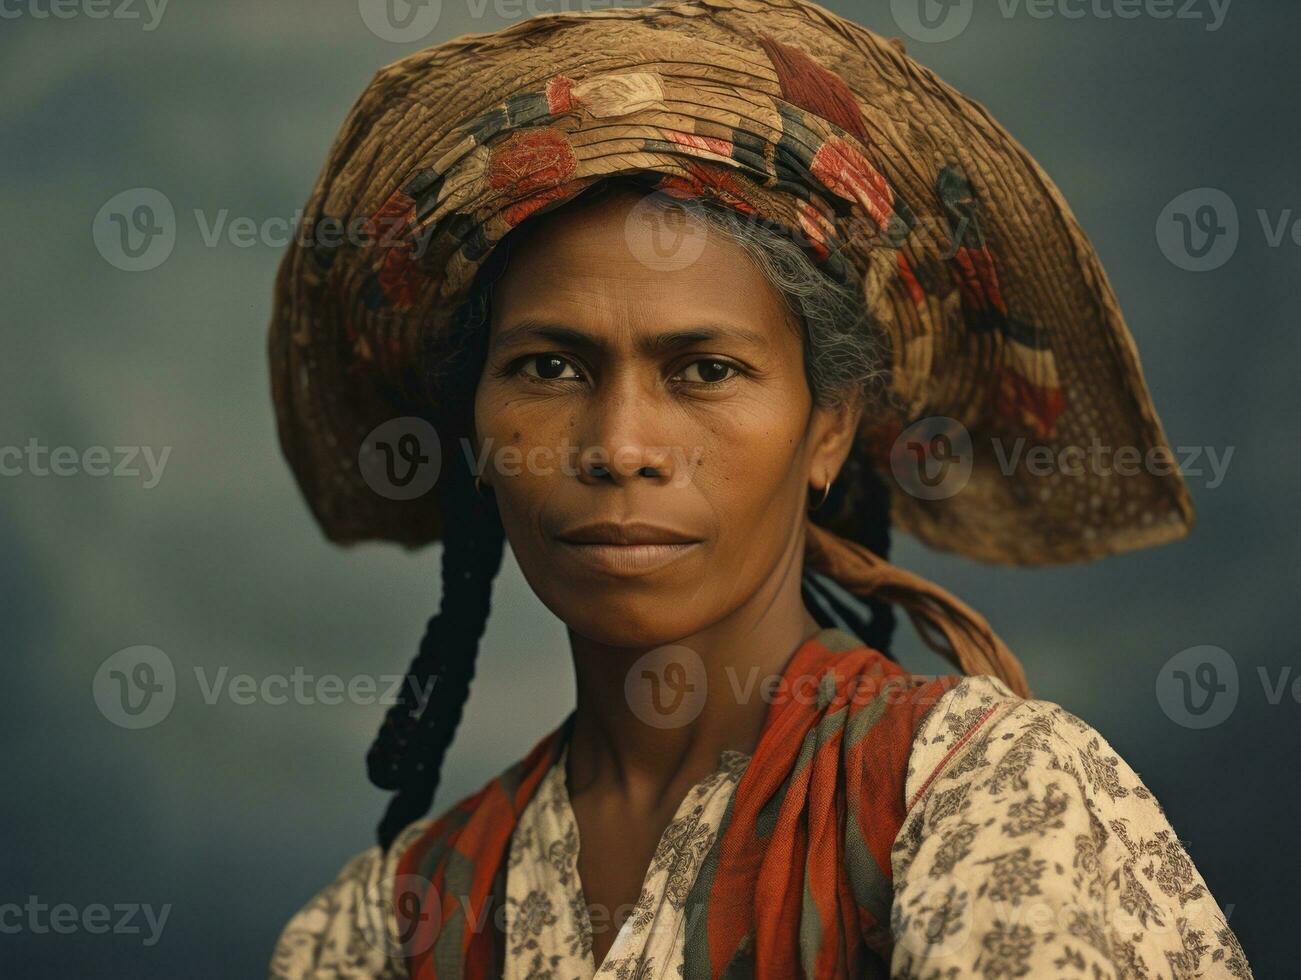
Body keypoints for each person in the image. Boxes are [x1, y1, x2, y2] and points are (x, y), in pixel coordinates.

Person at [266, 1, 1252, 976]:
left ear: (829, 428)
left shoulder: (973, 795)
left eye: (702, 369)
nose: (618, 446)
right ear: (474, 431)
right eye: (548, 367)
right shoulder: (383, 927)